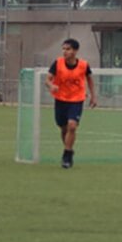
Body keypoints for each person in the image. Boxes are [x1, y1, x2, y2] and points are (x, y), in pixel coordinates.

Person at [45, 38, 97, 169]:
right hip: (61, 99)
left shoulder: (84, 65)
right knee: (63, 128)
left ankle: (66, 155)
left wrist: (93, 96)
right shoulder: (58, 63)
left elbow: (89, 79)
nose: (65, 51)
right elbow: (47, 79)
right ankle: (69, 149)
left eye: (68, 49)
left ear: (75, 51)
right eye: (63, 49)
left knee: (72, 126)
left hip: (76, 100)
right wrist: (51, 86)